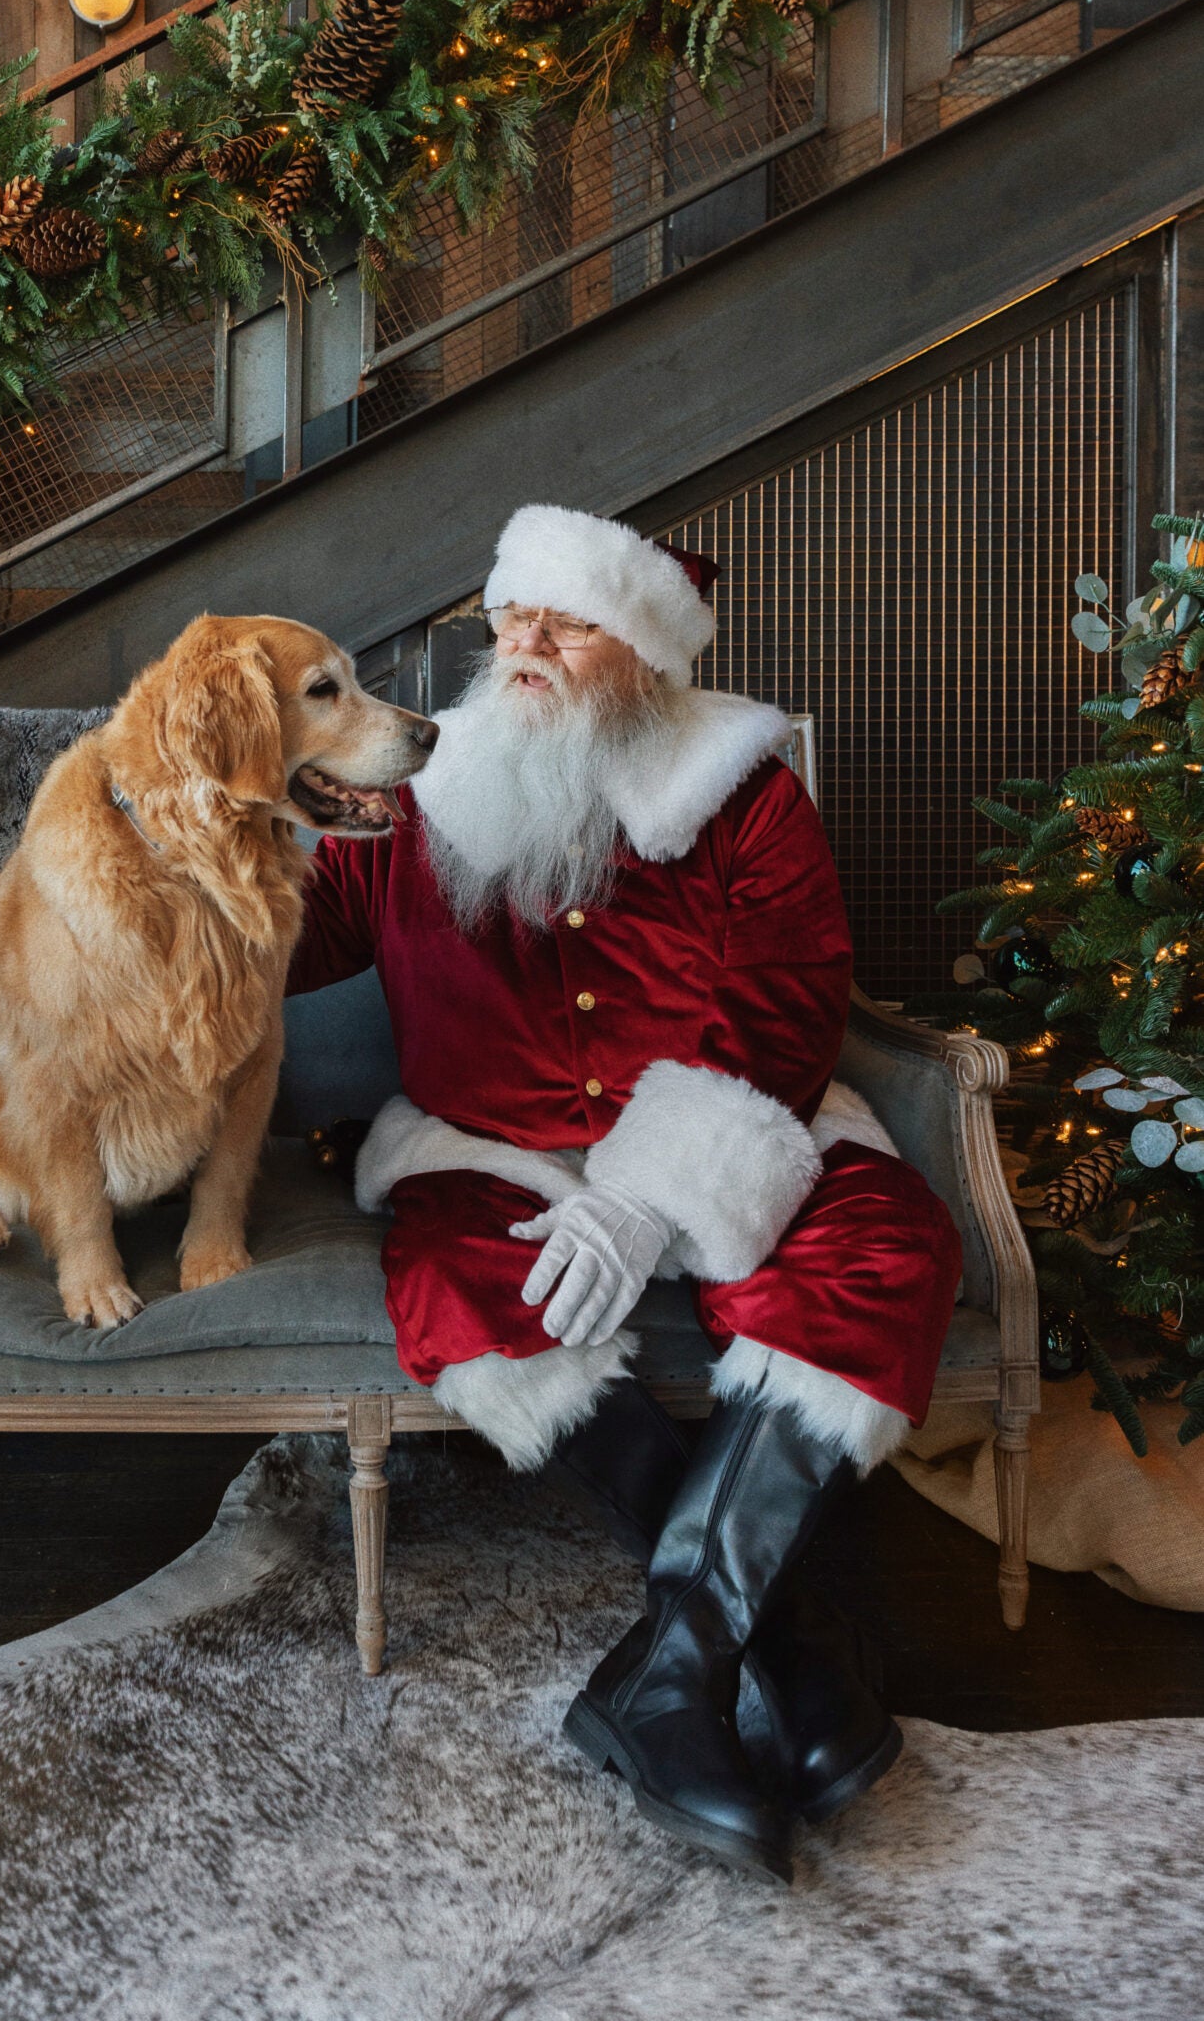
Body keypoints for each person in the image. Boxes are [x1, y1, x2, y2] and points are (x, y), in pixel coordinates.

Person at [287, 503, 961, 1886]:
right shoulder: (426, 781)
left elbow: (785, 1013)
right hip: (496, 1147)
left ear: (642, 653)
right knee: (455, 1281)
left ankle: (667, 1672)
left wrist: (652, 1196)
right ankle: (792, 1649)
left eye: (570, 622)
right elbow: (289, 930)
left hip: (722, 1127)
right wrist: (168, 857)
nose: (526, 643)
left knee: (883, 1241)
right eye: (514, 614)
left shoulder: (742, 787)